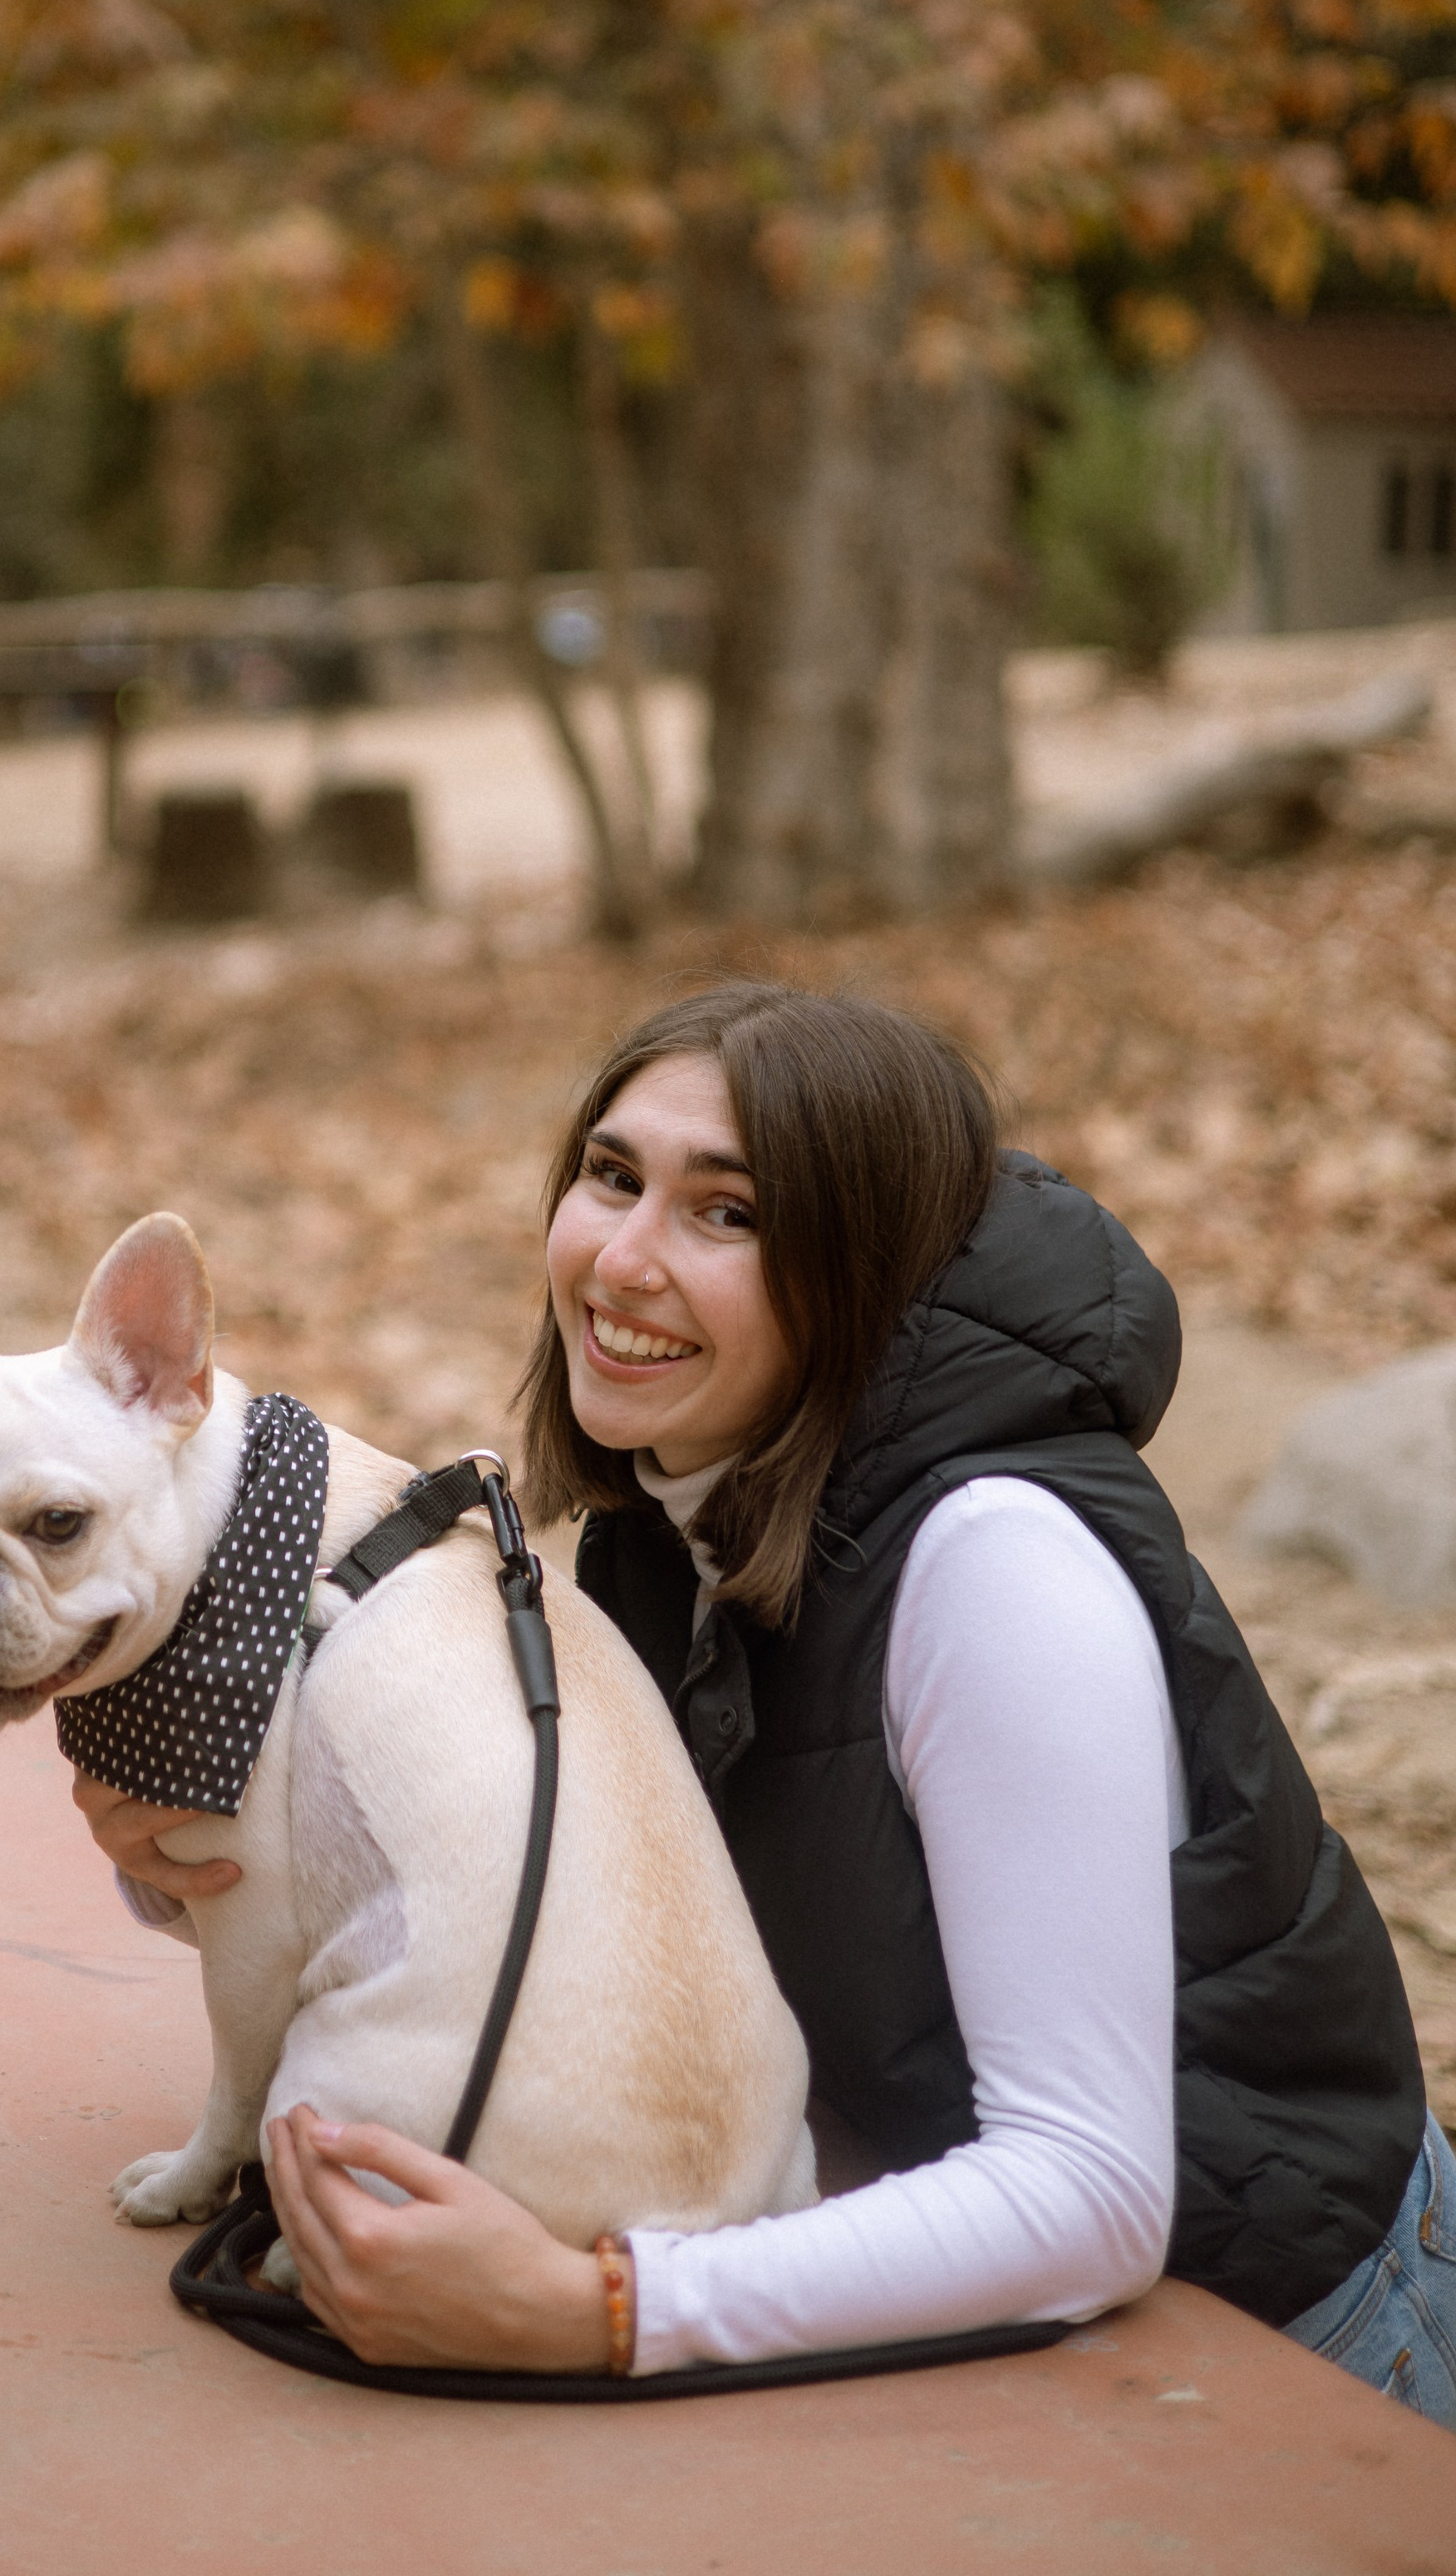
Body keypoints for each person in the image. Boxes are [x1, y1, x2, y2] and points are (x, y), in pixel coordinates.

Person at [77, 979, 1455, 2418]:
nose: (621, 1258)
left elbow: (1096, 2193)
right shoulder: (670, 1520)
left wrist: (597, 2307)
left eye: (725, 1213)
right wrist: (188, 1865)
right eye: (611, 1176)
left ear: (859, 1267)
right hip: (965, 2276)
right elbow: (545, 1915)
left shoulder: (994, 1572)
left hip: (1299, 2343)